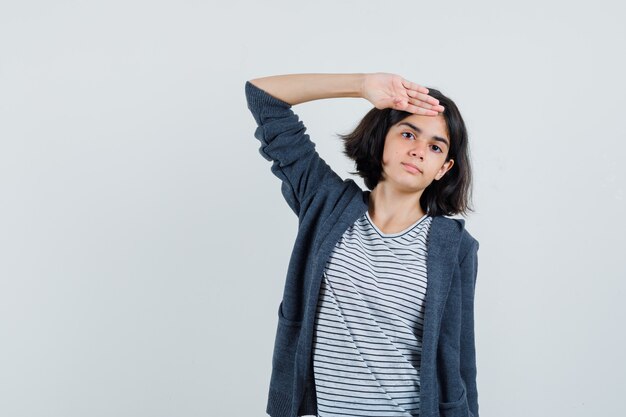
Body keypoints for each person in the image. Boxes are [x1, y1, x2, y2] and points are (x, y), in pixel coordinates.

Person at [245, 73, 480, 417]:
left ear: (443, 168)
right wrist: (360, 86)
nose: (418, 150)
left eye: (435, 146)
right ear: (382, 139)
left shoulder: (453, 247)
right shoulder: (325, 203)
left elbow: (458, 361)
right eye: (407, 133)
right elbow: (264, 98)